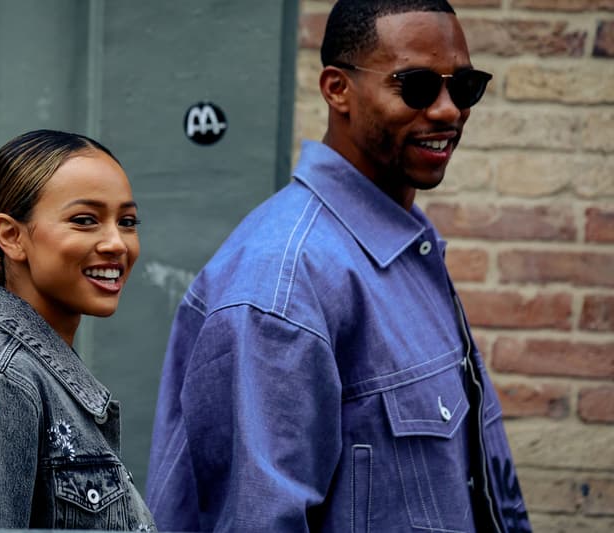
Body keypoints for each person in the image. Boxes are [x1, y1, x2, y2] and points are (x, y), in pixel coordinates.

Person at [146, 1, 531, 532]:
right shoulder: (284, 284)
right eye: (416, 86)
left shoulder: (406, 245)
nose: (447, 111)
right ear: (337, 89)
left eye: (464, 88)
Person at [0, 129, 156, 531]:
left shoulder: (39, 377)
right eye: (85, 220)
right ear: (12, 235)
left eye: (127, 221)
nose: (117, 243)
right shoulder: (3, 385)